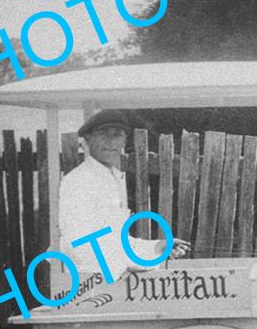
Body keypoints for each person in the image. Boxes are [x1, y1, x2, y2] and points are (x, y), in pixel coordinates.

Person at [59, 110, 190, 282]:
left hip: (112, 276)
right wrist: (128, 263)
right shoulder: (78, 181)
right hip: (86, 281)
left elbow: (117, 239)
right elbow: (76, 244)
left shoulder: (113, 178)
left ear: (124, 141)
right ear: (87, 140)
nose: (111, 141)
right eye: (103, 134)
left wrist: (157, 247)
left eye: (117, 135)